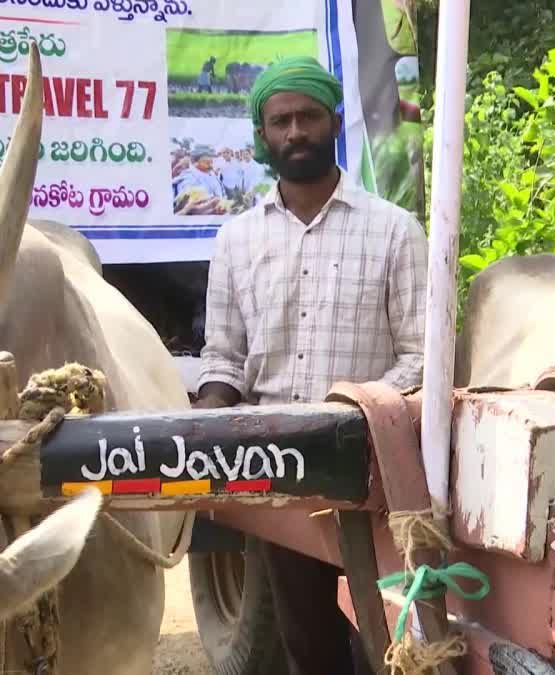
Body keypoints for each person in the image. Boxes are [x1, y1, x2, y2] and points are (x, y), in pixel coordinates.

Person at [194, 55, 427, 675]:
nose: (295, 131)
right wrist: (206, 417)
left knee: (388, 636)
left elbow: (422, 358)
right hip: (278, 476)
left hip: (372, 471)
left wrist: (353, 411)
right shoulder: (236, 241)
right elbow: (223, 358)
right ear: (262, 136)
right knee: (307, 643)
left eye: (308, 117)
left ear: (334, 122)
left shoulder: (394, 232)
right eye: (281, 121)